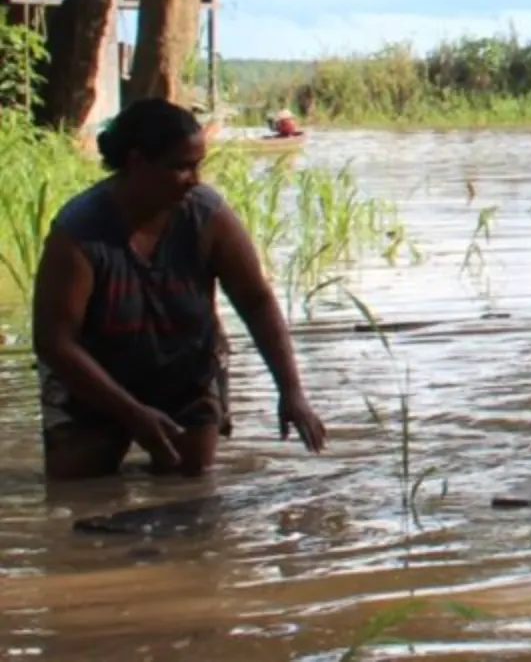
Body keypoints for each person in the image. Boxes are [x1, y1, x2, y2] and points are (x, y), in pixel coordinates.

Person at [32, 98, 329, 480]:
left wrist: (291, 392)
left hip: (184, 367)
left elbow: (255, 301)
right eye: (181, 167)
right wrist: (131, 414)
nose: (196, 179)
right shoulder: (79, 234)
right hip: (93, 378)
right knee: (78, 491)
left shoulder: (207, 216)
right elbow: (55, 342)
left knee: (190, 485)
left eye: (198, 165)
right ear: (138, 163)